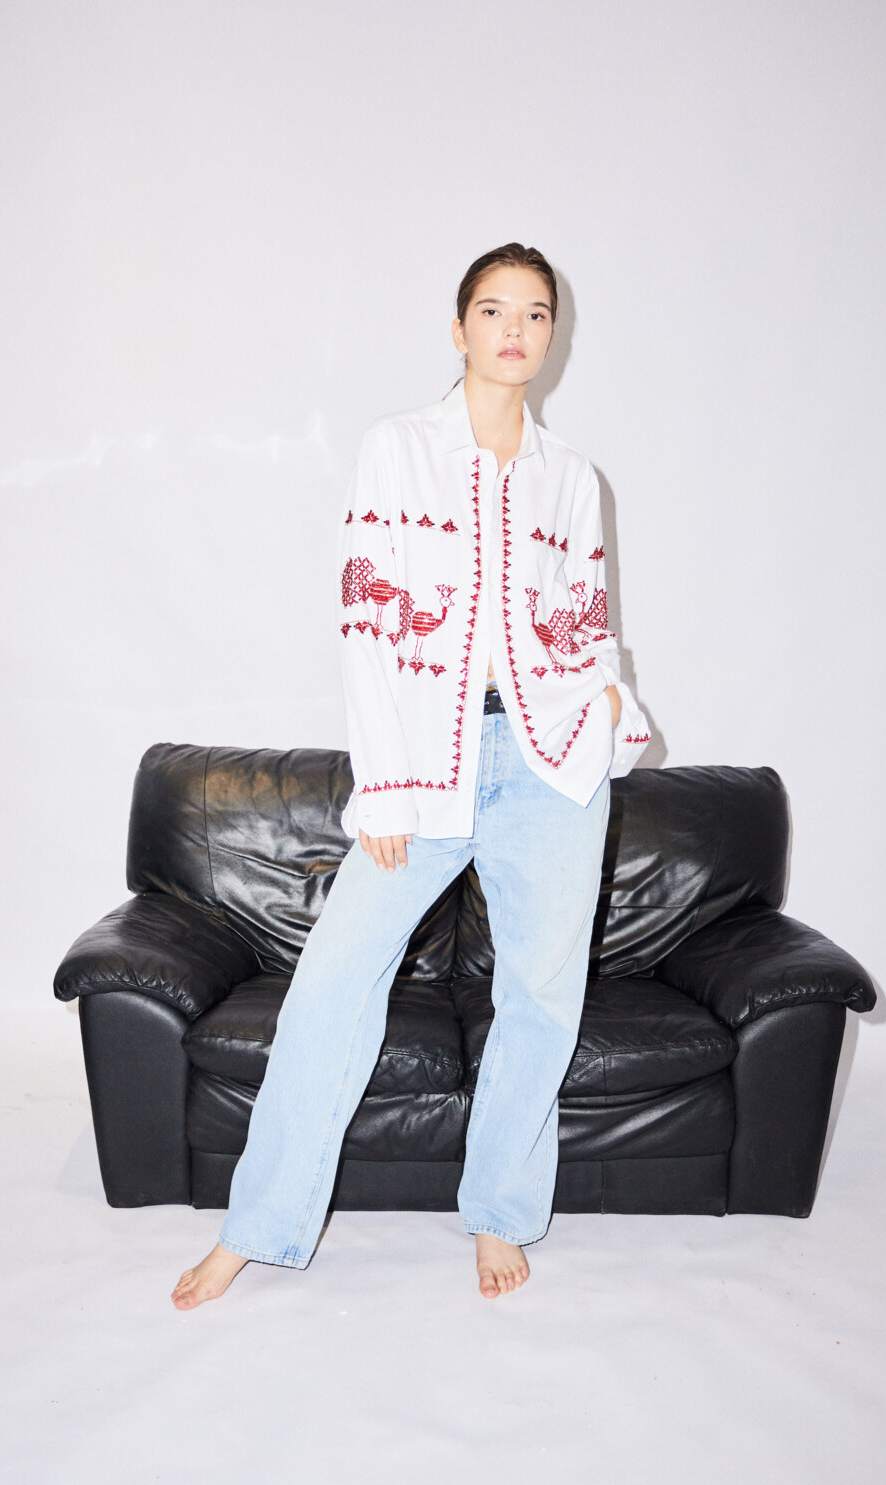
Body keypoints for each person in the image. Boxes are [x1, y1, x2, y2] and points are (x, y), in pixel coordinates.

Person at [172, 243, 650, 1309]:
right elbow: (368, 623)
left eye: (536, 313)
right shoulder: (398, 449)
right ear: (459, 328)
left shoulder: (574, 479)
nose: (516, 329)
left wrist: (611, 701)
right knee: (332, 986)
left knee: (540, 997)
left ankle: (500, 1213)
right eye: (495, 309)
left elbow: (586, 625)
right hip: (429, 760)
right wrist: (386, 783)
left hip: (552, 762)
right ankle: (259, 1227)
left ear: (554, 333)